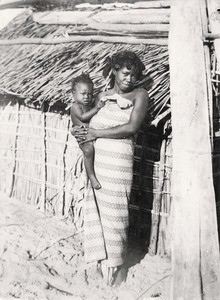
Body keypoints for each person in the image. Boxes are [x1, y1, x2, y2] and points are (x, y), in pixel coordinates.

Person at [72, 50, 149, 286]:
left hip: (119, 162)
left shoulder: (140, 95)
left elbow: (131, 127)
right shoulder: (102, 96)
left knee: (116, 211)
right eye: (125, 74)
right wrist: (81, 133)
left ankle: (118, 265)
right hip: (99, 160)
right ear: (114, 71)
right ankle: (98, 261)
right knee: (97, 211)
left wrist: (96, 133)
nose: (129, 79)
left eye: (134, 75)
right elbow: (85, 122)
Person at [70, 73, 104, 190]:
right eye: (83, 94)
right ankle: (91, 176)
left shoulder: (89, 106)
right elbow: (83, 118)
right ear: (74, 94)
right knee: (88, 151)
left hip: (91, 136)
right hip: (83, 137)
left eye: (89, 94)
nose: (87, 97)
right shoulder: (75, 106)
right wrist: (97, 108)